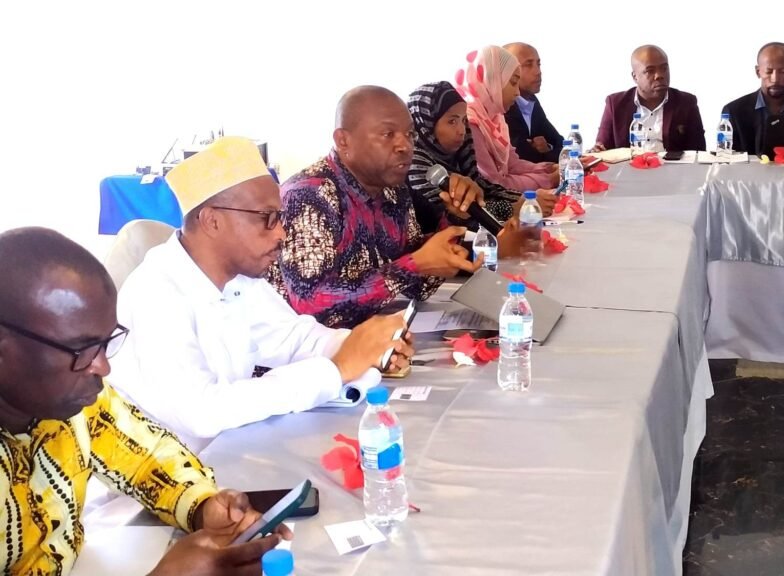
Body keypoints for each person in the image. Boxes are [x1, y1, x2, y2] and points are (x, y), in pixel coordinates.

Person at [0, 226, 290, 575]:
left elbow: (147, 459)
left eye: (106, 343)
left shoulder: (75, 404)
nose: (103, 366)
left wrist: (204, 507)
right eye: (81, 349)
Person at [111, 137, 411, 452]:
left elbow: (294, 338)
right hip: (159, 474)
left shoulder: (239, 280)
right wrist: (337, 370)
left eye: (280, 218)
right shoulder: (155, 294)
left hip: (224, 454)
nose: (281, 233)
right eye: (267, 218)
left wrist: (369, 346)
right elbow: (202, 411)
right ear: (213, 221)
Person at [276, 86, 482, 330]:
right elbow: (311, 305)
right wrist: (412, 266)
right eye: (388, 134)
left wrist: (453, 219)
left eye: (410, 134)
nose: (405, 146)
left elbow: (419, 287)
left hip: (372, 337)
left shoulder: (393, 190)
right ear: (343, 141)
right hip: (309, 350)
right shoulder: (309, 196)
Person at [406, 80, 556, 233]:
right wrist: (513, 208)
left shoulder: (459, 150)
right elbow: (449, 213)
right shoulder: (415, 163)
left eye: (463, 120)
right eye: (452, 121)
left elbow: (485, 189)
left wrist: (525, 200)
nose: (461, 130)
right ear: (426, 123)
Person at [454, 45, 560, 191]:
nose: (517, 93)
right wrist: (548, 180)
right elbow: (494, 184)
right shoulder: (470, 123)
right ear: (493, 81)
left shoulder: (495, 118)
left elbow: (512, 164)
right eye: (513, 82)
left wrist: (548, 168)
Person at [594, 45, 706, 152]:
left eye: (664, 68)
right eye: (650, 71)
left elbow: (698, 152)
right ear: (635, 77)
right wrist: (597, 151)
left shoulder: (686, 103)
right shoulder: (615, 104)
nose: (659, 75)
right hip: (629, 165)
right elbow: (603, 147)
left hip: (672, 165)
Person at [722, 42, 784, 156]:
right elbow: (726, 158)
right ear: (758, 71)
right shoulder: (734, 111)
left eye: (783, 71)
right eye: (768, 71)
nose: (775, 79)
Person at [503, 42, 564, 164]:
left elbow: (562, 145)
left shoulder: (532, 101)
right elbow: (522, 157)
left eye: (538, 64)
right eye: (528, 65)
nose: (538, 72)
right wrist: (546, 153)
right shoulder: (503, 107)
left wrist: (548, 148)